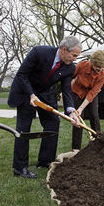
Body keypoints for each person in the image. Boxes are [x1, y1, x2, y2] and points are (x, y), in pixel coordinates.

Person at [8, 36, 81, 178]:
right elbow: (22, 75)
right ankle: (20, 167)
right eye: (74, 55)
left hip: (45, 94)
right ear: (64, 50)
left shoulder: (69, 67)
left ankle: (45, 160)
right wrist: (31, 95)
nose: (75, 59)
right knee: (24, 128)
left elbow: (66, 90)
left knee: (53, 122)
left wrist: (71, 111)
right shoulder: (39, 52)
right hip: (25, 91)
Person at [71, 50, 104, 149]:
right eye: (98, 67)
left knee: (94, 115)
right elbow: (71, 76)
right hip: (77, 92)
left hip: (91, 94)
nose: (100, 69)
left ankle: (98, 144)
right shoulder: (82, 65)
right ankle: (76, 148)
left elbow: (92, 93)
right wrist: (67, 89)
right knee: (78, 119)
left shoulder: (103, 75)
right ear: (92, 63)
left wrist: (81, 108)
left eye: (102, 67)